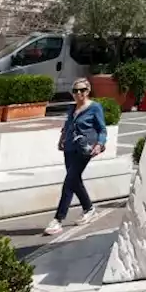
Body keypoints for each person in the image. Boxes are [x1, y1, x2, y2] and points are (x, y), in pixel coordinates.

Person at [45, 78, 108, 235]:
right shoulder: (71, 108)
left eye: (81, 90)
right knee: (74, 180)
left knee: (69, 182)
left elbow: (102, 129)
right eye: (75, 91)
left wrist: (99, 144)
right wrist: (61, 139)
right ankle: (89, 208)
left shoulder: (95, 108)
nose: (78, 94)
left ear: (87, 91)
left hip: (85, 149)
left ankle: (58, 219)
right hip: (70, 148)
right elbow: (68, 125)